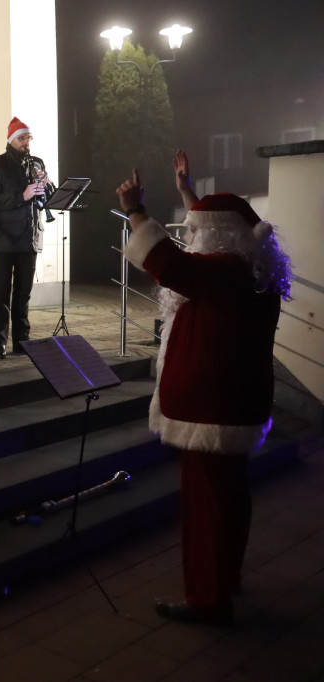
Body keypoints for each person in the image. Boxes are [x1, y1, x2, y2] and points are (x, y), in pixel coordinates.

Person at [116, 151, 292, 625]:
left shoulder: (227, 271)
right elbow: (214, 231)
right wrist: (187, 191)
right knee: (228, 498)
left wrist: (136, 212)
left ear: (218, 237)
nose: (192, 239)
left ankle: (207, 599)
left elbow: (174, 265)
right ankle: (224, 577)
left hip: (211, 409)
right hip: (234, 404)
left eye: (198, 232)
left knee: (206, 507)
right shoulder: (251, 267)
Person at [0, 117, 45, 358]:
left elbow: (43, 199)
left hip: (30, 238)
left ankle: (22, 343)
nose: (26, 142)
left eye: (28, 138)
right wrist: (22, 195)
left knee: (23, 295)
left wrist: (45, 186)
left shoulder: (36, 163)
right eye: (21, 138)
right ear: (11, 140)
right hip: (5, 239)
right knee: (1, 294)